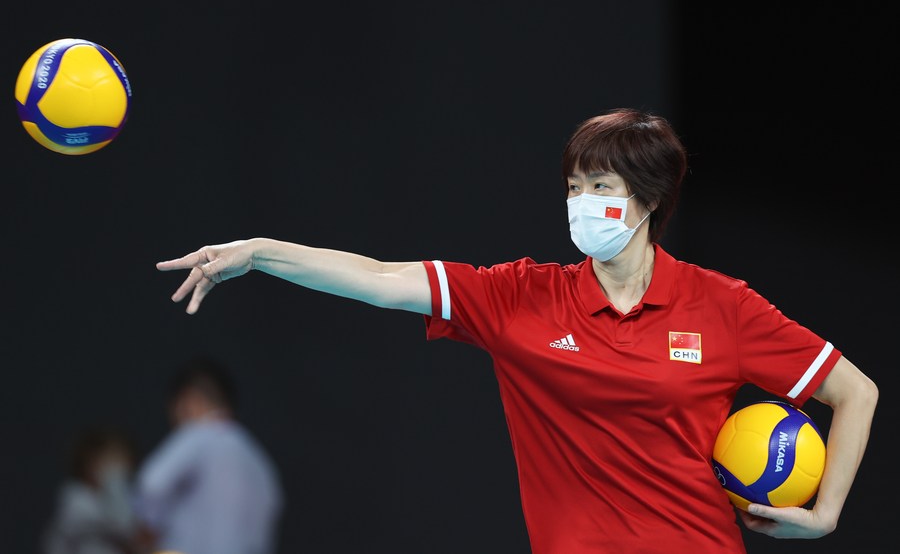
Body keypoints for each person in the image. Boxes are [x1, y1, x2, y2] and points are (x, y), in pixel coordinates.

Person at [156, 108, 877, 553]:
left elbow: (855, 392)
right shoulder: (521, 297)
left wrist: (825, 515)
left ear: (650, 200)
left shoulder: (723, 306)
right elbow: (379, 278)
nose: (581, 203)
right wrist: (261, 253)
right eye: (573, 187)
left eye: (600, 188)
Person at [131, 356, 284, 554]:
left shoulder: (199, 434)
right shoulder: (257, 458)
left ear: (188, 401)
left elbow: (151, 484)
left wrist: (147, 529)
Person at [41, 424, 139, 554]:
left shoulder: (129, 498)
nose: (119, 467)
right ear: (88, 462)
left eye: (122, 459)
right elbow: (124, 526)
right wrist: (115, 481)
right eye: (111, 459)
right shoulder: (74, 498)